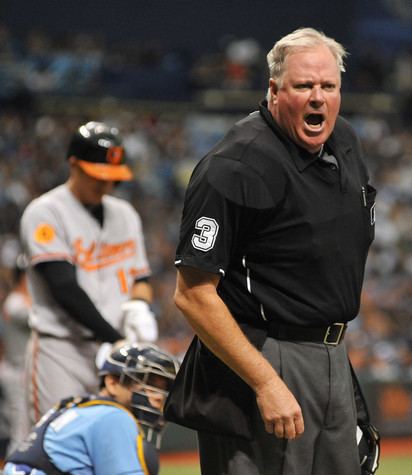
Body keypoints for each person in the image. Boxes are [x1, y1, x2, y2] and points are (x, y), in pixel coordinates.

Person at [169, 27, 379, 475]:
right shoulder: (236, 165)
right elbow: (193, 294)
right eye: (304, 86)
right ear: (274, 90)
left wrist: (336, 373)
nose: (318, 97)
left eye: (329, 86)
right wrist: (267, 382)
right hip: (264, 355)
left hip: (331, 352)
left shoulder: (345, 143)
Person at [19, 121, 159, 432]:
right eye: (97, 176)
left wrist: (139, 306)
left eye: (112, 179)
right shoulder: (45, 212)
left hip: (113, 354)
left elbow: (141, 278)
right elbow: (63, 287)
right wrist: (115, 337)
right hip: (62, 350)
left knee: (110, 448)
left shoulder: (125, 214)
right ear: (73, 164)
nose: (105, 185)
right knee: (56, 443)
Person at [3, 341, 179, 475]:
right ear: (112, 382)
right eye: (147, 384)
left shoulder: (77, 407)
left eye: (163, 388)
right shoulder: (114, 417)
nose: (158, 396)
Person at [0, 254, 31, 454]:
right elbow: (41, 319)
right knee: (20, 434)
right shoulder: (16, 302)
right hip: (16, 373)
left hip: (23, 372)